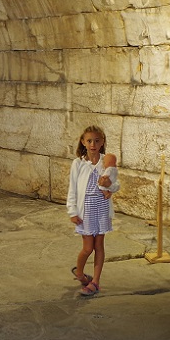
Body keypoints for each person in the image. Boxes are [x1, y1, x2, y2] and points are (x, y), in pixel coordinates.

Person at [67, 125, 119, 297]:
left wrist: (109, 186)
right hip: (86, 209)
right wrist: (72, 211)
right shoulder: (78, 163)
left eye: (97, 141)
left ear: (102, 142)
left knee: (99, 246)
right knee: (87, 248)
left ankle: (95, 282)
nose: (93, 144)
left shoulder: (107, 161)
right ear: (83, 142)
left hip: (102, 208)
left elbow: (116, 184)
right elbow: (72, 188)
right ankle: (80, 274)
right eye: (89, 141)